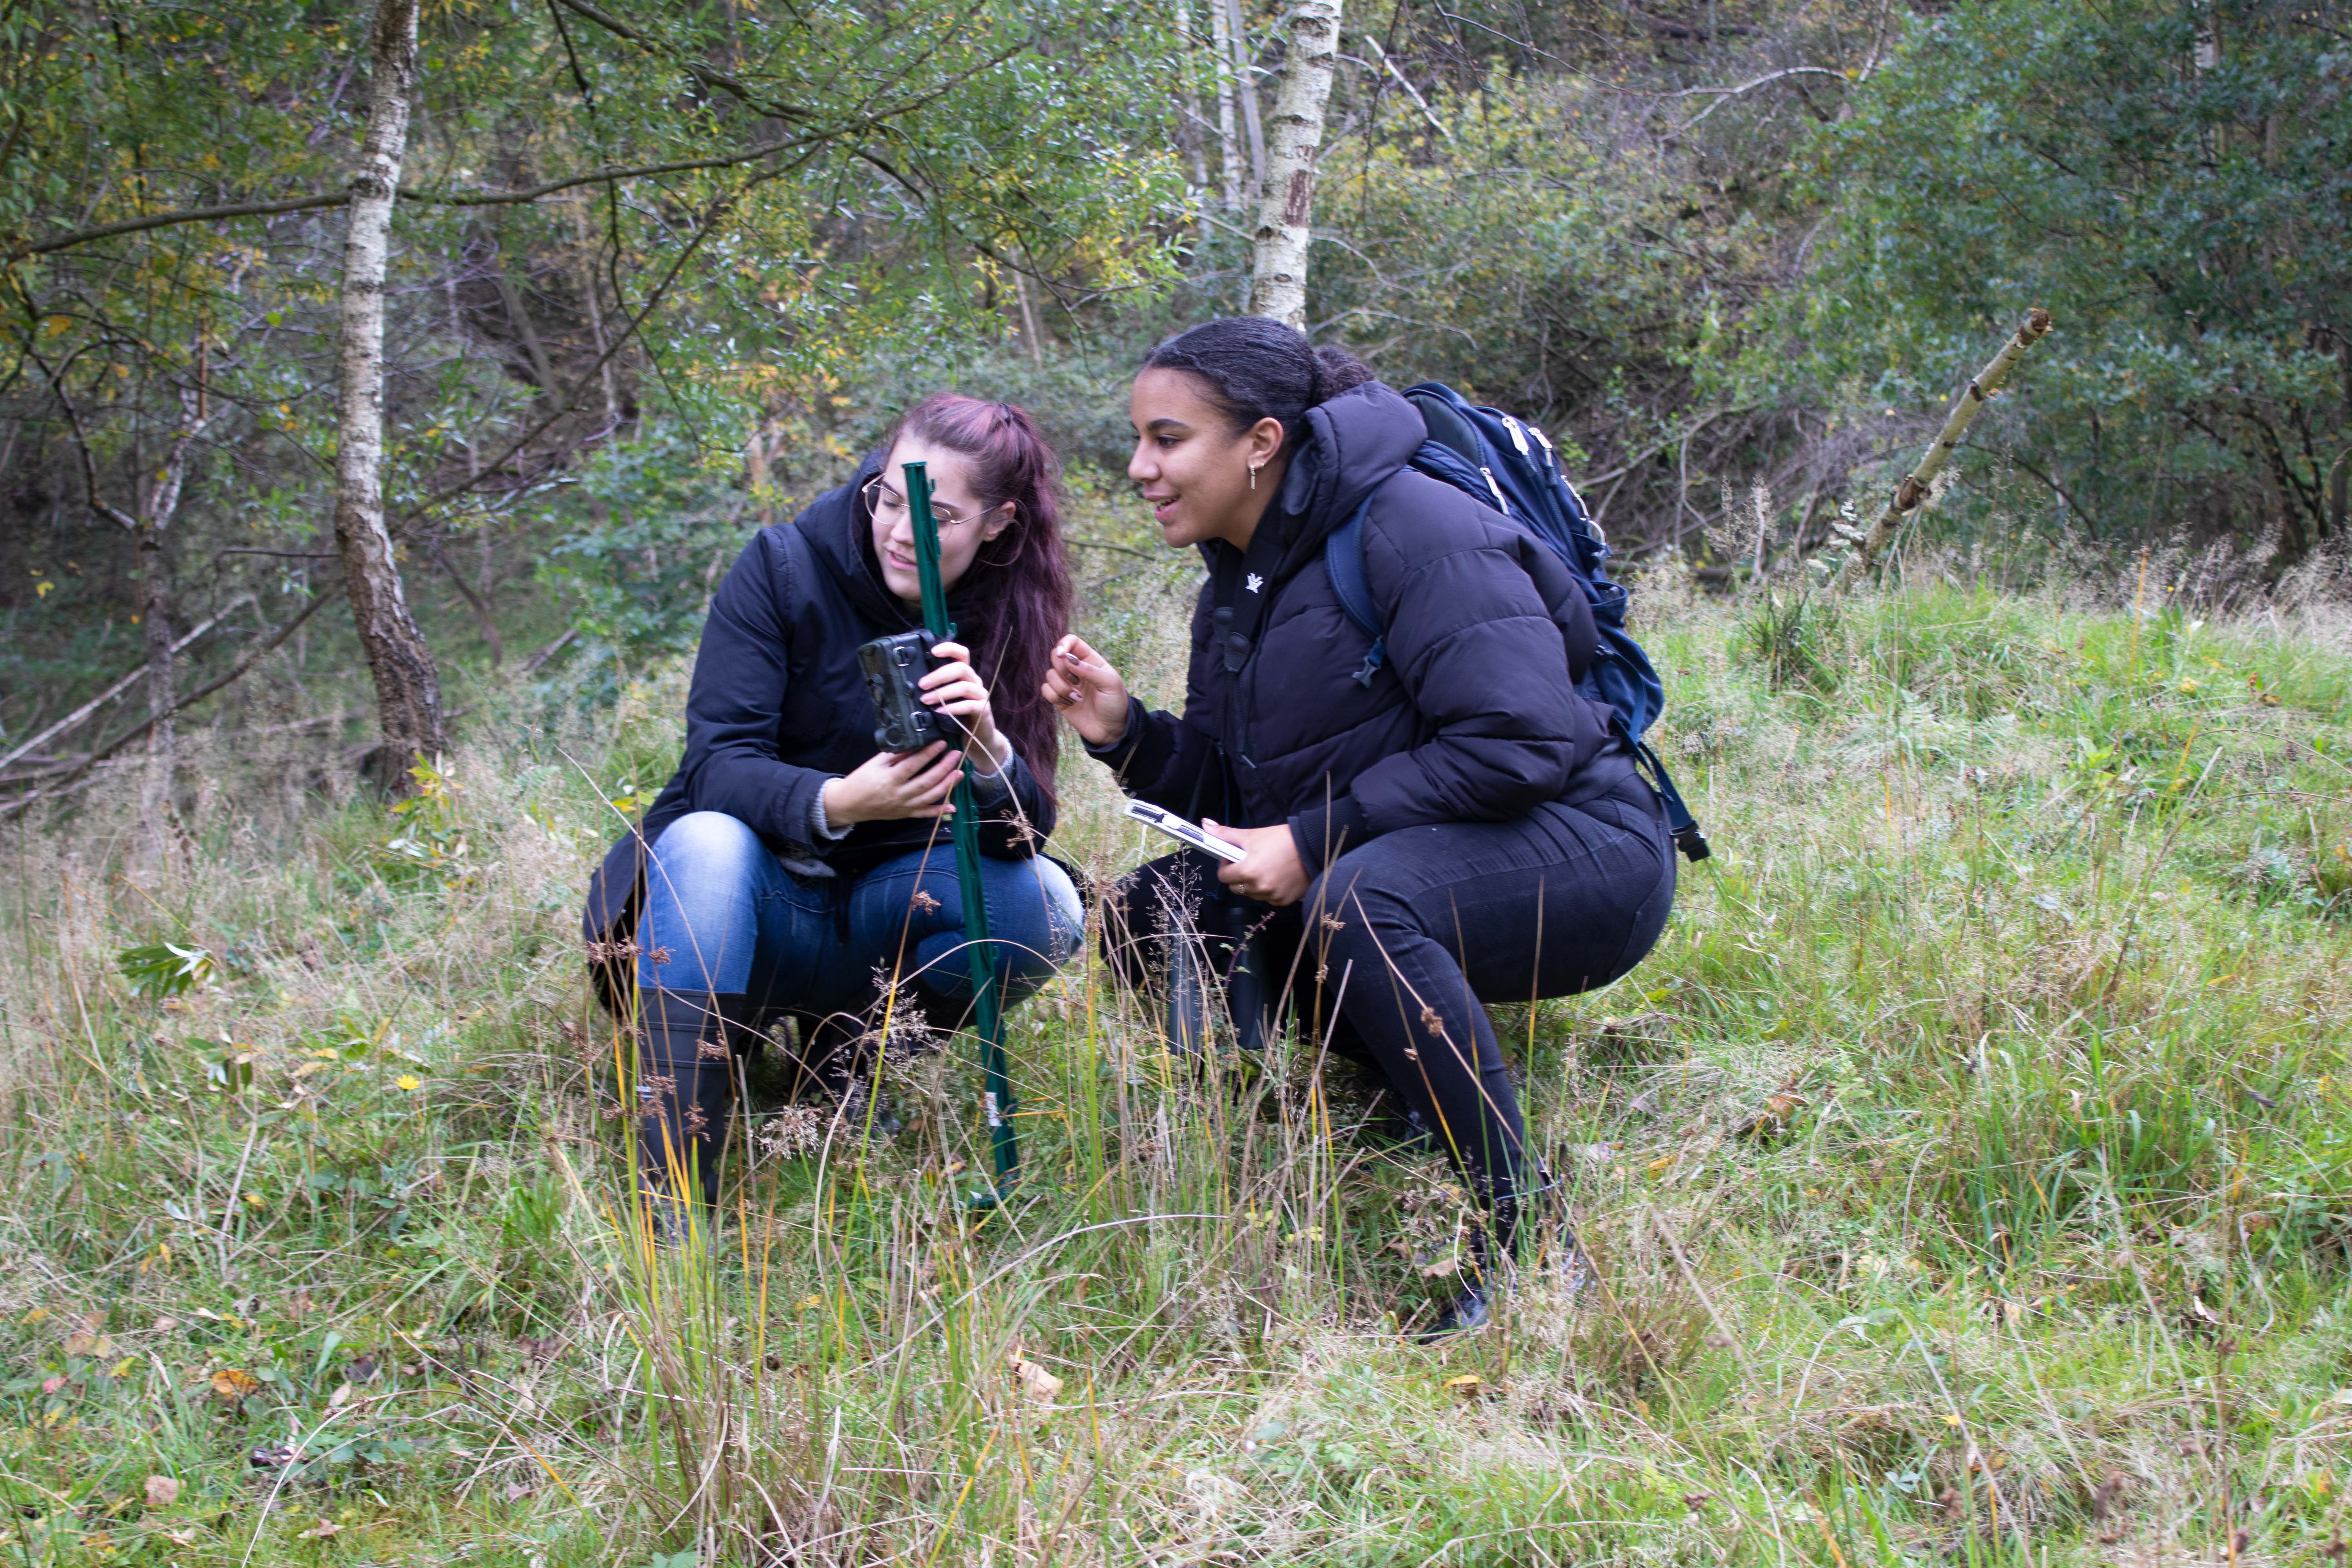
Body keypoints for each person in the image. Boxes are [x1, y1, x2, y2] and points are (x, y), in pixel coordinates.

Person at [1042, 319, 1676, 1334]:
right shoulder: (1237, 579)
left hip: (1586, 846)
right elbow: (1244, 791)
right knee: (1150, 913)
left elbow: (1521, 740)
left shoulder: (1411, 526)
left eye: (1168, 440)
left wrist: (1315, 841)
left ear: (1260, 443)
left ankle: (1532, 1237)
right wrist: (1125, 733)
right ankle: (1396, 1101)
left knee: (1359, 903)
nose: (1139, 467)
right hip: (1429, 844)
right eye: (1139, 441)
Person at [583, 393, 1083, 1221]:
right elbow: (717, 765)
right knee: (706, 840)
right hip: (749, 895)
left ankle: (849, 1056)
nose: (898, 528)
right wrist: (841, 800)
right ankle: (675, 1195)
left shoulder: (1010, 610)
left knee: (1047, 907)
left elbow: (1022, 835)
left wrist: (993, 747)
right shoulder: (784, 566)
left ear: (997, 524)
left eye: (937, 517)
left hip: (883, 912)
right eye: (888, 497)